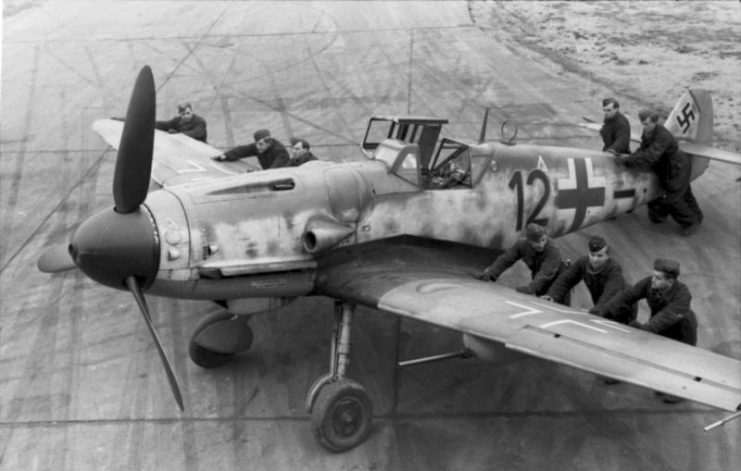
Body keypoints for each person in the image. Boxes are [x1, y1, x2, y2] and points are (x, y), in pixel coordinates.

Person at [591, 258, 698, 403]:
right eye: (653, 275)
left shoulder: (682, 295)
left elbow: (666, 317)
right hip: (658, 321)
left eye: (658, 278)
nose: (653, 280)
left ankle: (681, 391)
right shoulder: (649, 283)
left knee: (681, 361)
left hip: (681, 329)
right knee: (650, 350)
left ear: (670, 282)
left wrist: (644, 329)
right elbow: (627, 295)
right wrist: (604, 311)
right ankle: (622, 373)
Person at [614, 109, 703, 236]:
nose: (644, 127)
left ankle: (690, 222)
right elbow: (644, 148)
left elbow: (651, 156)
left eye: (647, 124)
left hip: (676, 166)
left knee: (674, 199)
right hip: (665, 166)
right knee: (684, 191)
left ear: (655, 122)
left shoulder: (663, 136)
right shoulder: (648, 132)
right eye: (643, 123)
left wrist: (629, 160)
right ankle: (698, 215)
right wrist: (631, 156)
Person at [542, 235, 636, 324]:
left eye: (600, 256)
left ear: (607, 256)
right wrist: (552, 295)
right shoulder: (583, 263)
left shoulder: (614, 269)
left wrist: (596, 311)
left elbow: (610, 293)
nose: (595, 259)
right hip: (601, 307)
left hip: (622, 310)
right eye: (592, 255)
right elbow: (566, 280)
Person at [479, 223, 568, 302]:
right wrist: (491, 273)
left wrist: (531, 288)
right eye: (536, 243)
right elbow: (506, 259)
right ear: (529, 241)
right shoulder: (521, 245)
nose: (541, 245)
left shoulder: (553, 250)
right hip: (539, 283)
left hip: (559, 285)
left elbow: (545, 273)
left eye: (543, 240)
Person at [213, 129, 289, 170]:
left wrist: (258, 175)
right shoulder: (260, 146)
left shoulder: (280, 152)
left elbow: (275, 169)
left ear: (268, 142)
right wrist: (226, 155)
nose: (258, 147)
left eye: (260, 144)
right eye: (257, 144)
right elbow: (243, 150)